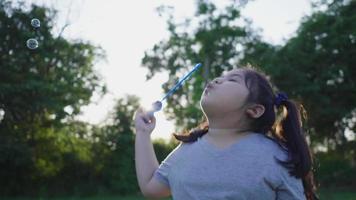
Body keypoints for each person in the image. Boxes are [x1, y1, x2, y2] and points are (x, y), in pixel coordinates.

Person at [134, 66, 319, 200]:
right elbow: (152, 188)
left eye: (232, 80)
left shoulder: (276, 157)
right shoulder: (186, 150)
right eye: (221, 77)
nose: (216, 80)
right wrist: (142, 133)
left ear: (254, 110)